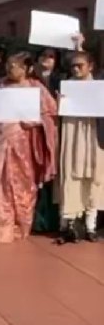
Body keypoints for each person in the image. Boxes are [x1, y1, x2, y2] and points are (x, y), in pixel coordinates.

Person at [0, 52, 58, 243]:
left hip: (24, 144)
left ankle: (19, 226)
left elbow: (51, 115)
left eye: (15, 66)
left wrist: (36, 122)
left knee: (22, 186)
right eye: (8, 65)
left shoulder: (37, 88)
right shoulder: (1, 85)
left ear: (28, 69)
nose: (10, 69)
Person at [55, 49, 101, 243]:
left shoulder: (99, 86)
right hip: (72, 135)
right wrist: (58, 103)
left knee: (95, 180)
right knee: (70, 177)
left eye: (80, 65)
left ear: (90, 66)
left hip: (94, 136)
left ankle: (91, 226)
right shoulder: (66, 87)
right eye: (73, 65)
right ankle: (68, 224)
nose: (76, 69)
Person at [32, 46, 67, 234]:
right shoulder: (30, 79)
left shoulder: (61, 80)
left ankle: (51, 220)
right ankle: (35, 220)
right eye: (44, 55)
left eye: (51, 56)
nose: (47, 59)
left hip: (55, 131)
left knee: (52, 176)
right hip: (33, 132)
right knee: (35, 175)